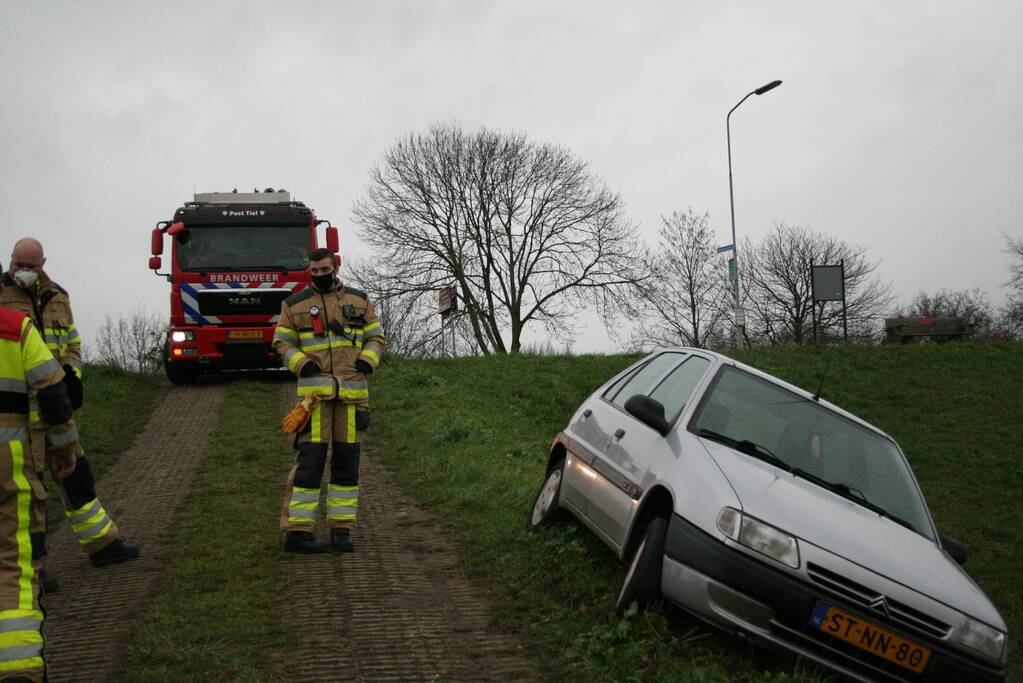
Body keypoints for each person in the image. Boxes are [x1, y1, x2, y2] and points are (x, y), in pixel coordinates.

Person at [0, 239, 139, 590]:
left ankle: (102, 545)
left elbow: (72, 343)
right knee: (25, 493)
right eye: (18, 265)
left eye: (30, 265)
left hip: (55, 403)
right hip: (18, 413)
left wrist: (73, 376)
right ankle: (30, 568)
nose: (24, 272)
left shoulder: (58, 297)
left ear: (43, 262)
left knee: (77, 474)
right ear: (10, 261)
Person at [272, 247, 386, 554]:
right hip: (314, 401)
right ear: (310, 271)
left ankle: (342, 530)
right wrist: (300, 363)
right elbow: (281, 342)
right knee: (310, 465)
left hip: (351, 400)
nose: (321, 275)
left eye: (325, 270)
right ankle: (298, 532)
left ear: (336, 267)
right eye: (315, 271)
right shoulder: (294, 305)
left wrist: (368, 360)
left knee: (347, 466)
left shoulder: (359, 301)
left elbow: (376, 337)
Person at [0, 259, 80, 682]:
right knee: (12, 565)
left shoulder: (55, 299)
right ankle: (18, 668)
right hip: (8, 464)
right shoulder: (14, 328)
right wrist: (66, 447)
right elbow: (51, 390)